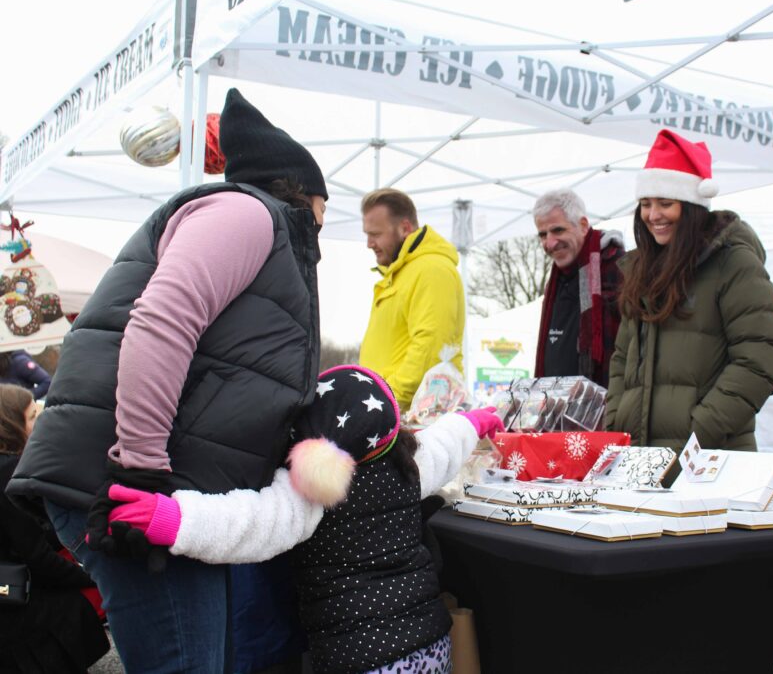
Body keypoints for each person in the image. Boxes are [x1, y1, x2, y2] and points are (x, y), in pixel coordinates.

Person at [6, 88, 327, 673]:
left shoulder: (264, 228)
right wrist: (139, 468)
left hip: (169, 487)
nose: (323, 229)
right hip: (131, 483)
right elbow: (161, 323)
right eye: (322, 211)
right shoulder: (245, 213)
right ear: (302, 192)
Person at [103, 365, 502, 674]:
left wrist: (171, 519)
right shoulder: (409, 464)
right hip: (429, 643)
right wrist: (479, 420)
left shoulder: (311, 491)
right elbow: (448, 439)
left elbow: (249, 523)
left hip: (356, 657)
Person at [605, 129, 773, 484]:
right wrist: (617, 422)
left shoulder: (734, 265)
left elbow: (761, 359)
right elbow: (621, 360)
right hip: (639, 463)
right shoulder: (640, 270)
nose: (653, 215)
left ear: (690, 207)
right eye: (645, 204)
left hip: (711, 464)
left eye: (665, 203)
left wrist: (698, 433)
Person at [0, 385, 110, 673]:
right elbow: (38, 558)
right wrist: (93, 576)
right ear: (11, 426)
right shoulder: (8, 476)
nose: (41, 421)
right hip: (22, 614)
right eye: (33, 416)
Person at [359, 188, 465, 410]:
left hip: (414, 418)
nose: (369, 243)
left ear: (405, 228)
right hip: (393, 414)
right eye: (367, 234)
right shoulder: (400, 273)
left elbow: (430, 347)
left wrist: (386, 401)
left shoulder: (431, 269)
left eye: (376, 234)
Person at [532, 189, 625, 387]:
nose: (549, 243)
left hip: (604, 408)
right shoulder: (556, 280)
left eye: (558, 230)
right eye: (542, 235)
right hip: (556, 408)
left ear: (583, 225)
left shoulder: (615, 269)